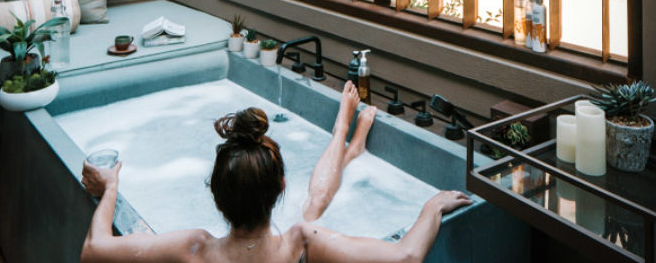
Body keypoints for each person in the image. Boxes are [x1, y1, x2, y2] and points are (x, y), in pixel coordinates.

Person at [80, 81, 471, 263]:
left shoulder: (193, 248)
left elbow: (93, 250)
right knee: (311, 209)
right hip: (290, 238)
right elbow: (405, 257)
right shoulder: (300, 243)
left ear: (215, 193)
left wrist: (110, 187)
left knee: (312, 208)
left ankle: (349, 146)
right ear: (282, 184)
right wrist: (432, 207)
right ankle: (345, 141)